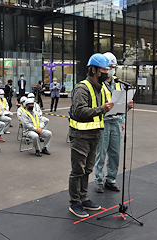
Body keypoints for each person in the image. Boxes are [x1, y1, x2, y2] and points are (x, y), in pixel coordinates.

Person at [68, 53, 114, 218]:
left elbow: (105, 109)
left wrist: (124, 107)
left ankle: (84, 197)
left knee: (87, 169)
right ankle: (75, 203)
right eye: (103, 69)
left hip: (94, 134)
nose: (106, 72)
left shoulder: (100, 88)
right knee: (77, 170)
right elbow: (79, 111)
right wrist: (102, 109)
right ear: (93, 70)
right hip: (80, 136)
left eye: (107, 69)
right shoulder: (82, 88)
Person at [94, 52, 133, 193]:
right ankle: (99, 179)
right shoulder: (98, 84)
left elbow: (121, 102)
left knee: (115, 153)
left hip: (116, 121)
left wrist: (125, 112)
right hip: (103, 122)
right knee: (101, 153)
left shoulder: (118, 83)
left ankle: (111, 179)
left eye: (114, 66)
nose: (112, 69)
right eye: (110, 66)